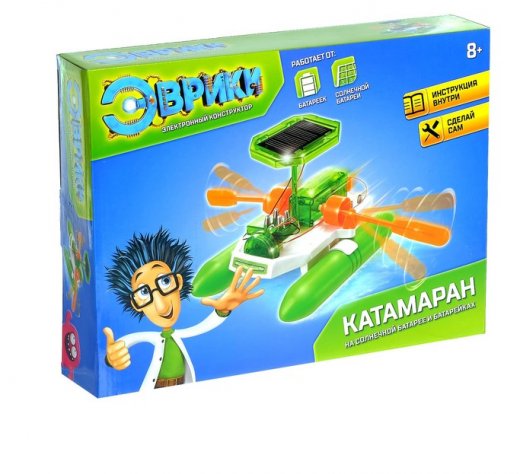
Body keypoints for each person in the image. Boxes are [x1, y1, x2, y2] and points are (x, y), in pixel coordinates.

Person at [104, 228, 263, 390]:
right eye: (144, 292)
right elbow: (123, 344)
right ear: (135, 303)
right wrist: (111, 358)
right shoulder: (148, 338)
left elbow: (202, 327)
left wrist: (223, 311)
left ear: (178, 281)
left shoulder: (180, 333)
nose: (162, 306)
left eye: (165, 282)